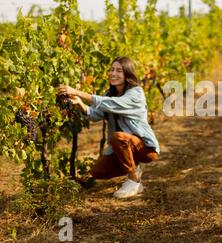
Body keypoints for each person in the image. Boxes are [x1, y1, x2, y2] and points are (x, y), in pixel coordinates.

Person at [58, 56, 160, 198]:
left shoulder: (136, 93)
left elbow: (111, 104)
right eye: (112, 70)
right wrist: (79, 103)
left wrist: (78, 92)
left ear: (127, 74)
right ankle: (132, 165)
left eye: (119, 70)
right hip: (121, 146)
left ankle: (133, 180)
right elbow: (95, 115)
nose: (113, 73)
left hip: (145, 148)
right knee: (96, 173)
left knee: (118, 137)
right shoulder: (109, 94)